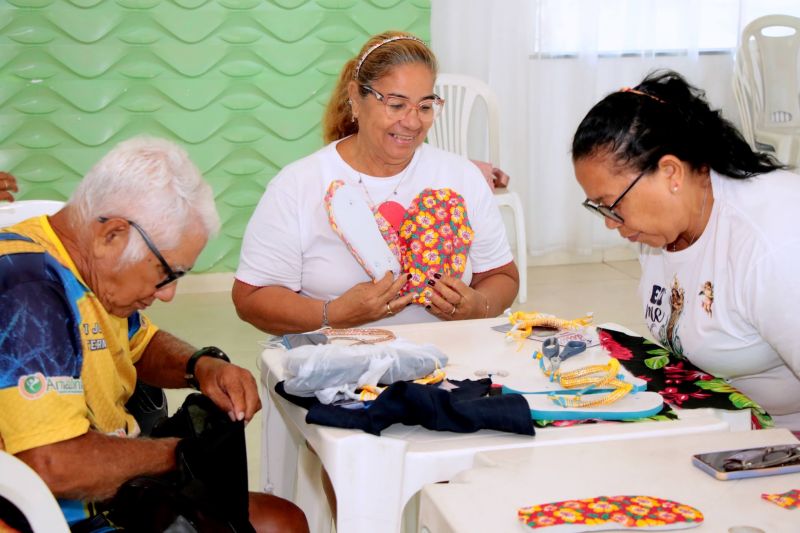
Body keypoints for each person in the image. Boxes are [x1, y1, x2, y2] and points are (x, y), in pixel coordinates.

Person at [0, 137, 309, 532]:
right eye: (167, 274)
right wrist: (179, 454)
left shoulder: (89, 270)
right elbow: (51, 464)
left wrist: (201, 366)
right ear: (112, 235)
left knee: (281, 521)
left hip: (114, 497)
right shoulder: (28, 289)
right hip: (60, 517)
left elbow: (138, 345)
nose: (169, 294)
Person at [233, 31, 520, 335]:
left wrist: (479, 306)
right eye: (396, 105)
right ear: (356, 98)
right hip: (336, 368)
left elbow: (502, 277)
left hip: (451, 366)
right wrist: (332, 314)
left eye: (425, 106)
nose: (412, 122)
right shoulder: (298, 185)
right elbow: (250, 299)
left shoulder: (462, 177)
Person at [571, 70, 800, 431]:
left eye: (611, 205)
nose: (610, 223)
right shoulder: (660, 228)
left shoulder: (772, 244)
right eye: (598, 207)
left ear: (671, 173)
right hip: (718, 421)